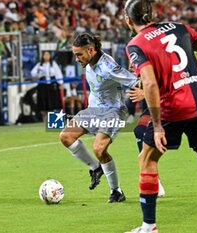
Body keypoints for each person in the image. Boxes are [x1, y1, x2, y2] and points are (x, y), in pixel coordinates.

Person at [124, 0, 197, 233]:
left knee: (147, 159)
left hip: (172, 109)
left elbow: (150, 84)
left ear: (128, 20)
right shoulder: (180, 27)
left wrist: (156, 126)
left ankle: (149, 226)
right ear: (151, 14)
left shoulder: (136, 44)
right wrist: (194, 77)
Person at [59, 32, 140, 203]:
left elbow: (135, 81)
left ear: (90, 50)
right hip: (93, 110)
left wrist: (142, 90)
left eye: (78, 54)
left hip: (113, 111)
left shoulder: (108, 67)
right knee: (66, 136)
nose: (76, 59)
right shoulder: (90, 62)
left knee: (99, 149)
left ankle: (116, 191)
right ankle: (96, 168)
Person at [31, 51, 63, 120]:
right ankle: (44, 119)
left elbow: (58, 73)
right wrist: (38, 72)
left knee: (53, 102)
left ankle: (54, 119)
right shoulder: (40, 64)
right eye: (45, 55)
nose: (46, 56)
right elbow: (33, 73)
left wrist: (60, 83)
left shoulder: (53, 64)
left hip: (52, 85)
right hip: (43, 85)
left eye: (48, 54)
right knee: (43, 102)